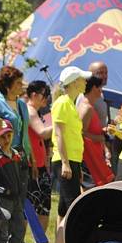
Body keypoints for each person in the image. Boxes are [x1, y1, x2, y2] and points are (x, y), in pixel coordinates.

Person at [0, 66, 35, 207]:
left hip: (22, 156)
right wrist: (1, 151)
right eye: (18, 83)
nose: (22, 85)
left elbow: (25, 132)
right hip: (6, 159)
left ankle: (17, 229)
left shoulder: (22, 104)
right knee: (6, 201)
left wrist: (32, 156)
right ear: (8, 86)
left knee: (21, 201)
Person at [52, 66, 88, 219]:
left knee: (64, 209)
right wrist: (66, 163)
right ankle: (70, 242)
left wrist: (76, 165)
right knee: (73, 206)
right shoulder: (62, 103)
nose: (86, 82)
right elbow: (59, 134)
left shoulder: (70, 104)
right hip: (63, 160)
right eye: (82, 79)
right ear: (74, 83)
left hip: (72, 160)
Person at [25, 80, 53, 243]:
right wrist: (60, 122)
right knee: (29, 206)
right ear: (34, 94)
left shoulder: (37, 111)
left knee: (43, 205)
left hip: (41, 165)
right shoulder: (29, 111)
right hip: (31, 165)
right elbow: (42, 132)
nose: (47, 99)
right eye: (45, 95)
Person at [78, 75, 114, 186]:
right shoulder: (86, 107)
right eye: (100, 87)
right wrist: (101, 137)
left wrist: (102, 131)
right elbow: (81, 133)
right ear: (94, 88)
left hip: (94, 155)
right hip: (89, 158)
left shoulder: (89, 106)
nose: (102, 91)